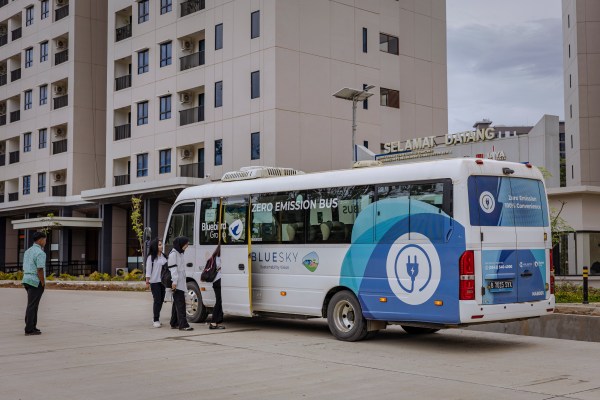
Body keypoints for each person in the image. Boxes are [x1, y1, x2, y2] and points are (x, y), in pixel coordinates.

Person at [22, 231, 47, 336]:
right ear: (41, 239)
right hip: (35, 281)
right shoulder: (40, 253)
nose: (45, 241)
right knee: (32, 305)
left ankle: (32, 326)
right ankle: (29, 329)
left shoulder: (28, 251)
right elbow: (40, 269)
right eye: (45, 239)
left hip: (26, 280)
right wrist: (43, 282)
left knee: (33, 304)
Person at [168, 236, 193, 331]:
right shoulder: (173, 254)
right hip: (177, 283)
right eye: (186, 244)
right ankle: (183, 325)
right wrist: (174, 282)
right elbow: (173, 269)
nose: (187, 246)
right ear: (181, 243)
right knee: (181, 304)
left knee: (176, 303)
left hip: (181, 282)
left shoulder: (180, 253)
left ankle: (174, 322)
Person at [145, 238, 167, 328]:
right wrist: (147, 281)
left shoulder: (164, 256)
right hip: (154, 282)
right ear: (155, 246)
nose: (161, 246)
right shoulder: (151, 258)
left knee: (161, 300)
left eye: (161, 244)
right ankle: (156, 319)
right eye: (159, 245)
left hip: (163, 282)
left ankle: (156, 317)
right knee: (157, 300)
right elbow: (148, 270)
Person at [209, 244, 225, 330]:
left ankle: (216, 322)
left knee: (220, 301)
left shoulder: (216, 256)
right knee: (219, 301)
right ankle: (213, 322)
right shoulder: (220, 257)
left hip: (216, 281)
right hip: (218, 281)